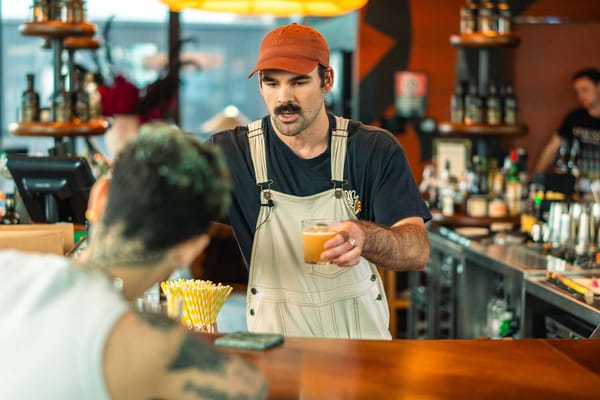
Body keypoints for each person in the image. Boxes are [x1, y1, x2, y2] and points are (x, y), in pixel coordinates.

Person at [0, 126, 267, 399]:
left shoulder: (7, 270)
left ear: (99, 196)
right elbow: (251, 389)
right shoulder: (156, 346)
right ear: (191, 249)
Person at [209, 23, 431, 340]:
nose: (283, 98)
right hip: (277, 355)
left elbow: (416, 250)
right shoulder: (232, 154)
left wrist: (364, 237)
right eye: (271, 83)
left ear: (327, 79)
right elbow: (164, 208)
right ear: (260, 84)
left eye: (299, 82)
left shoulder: (372, 150)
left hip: (361, 354)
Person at [534, 68, 600, 173]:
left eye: (585, 90)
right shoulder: (575, 117)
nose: (580, 96)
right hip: (574, 182)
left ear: (599, 87)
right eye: (577, 92)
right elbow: (553, 146)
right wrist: (537, 174)